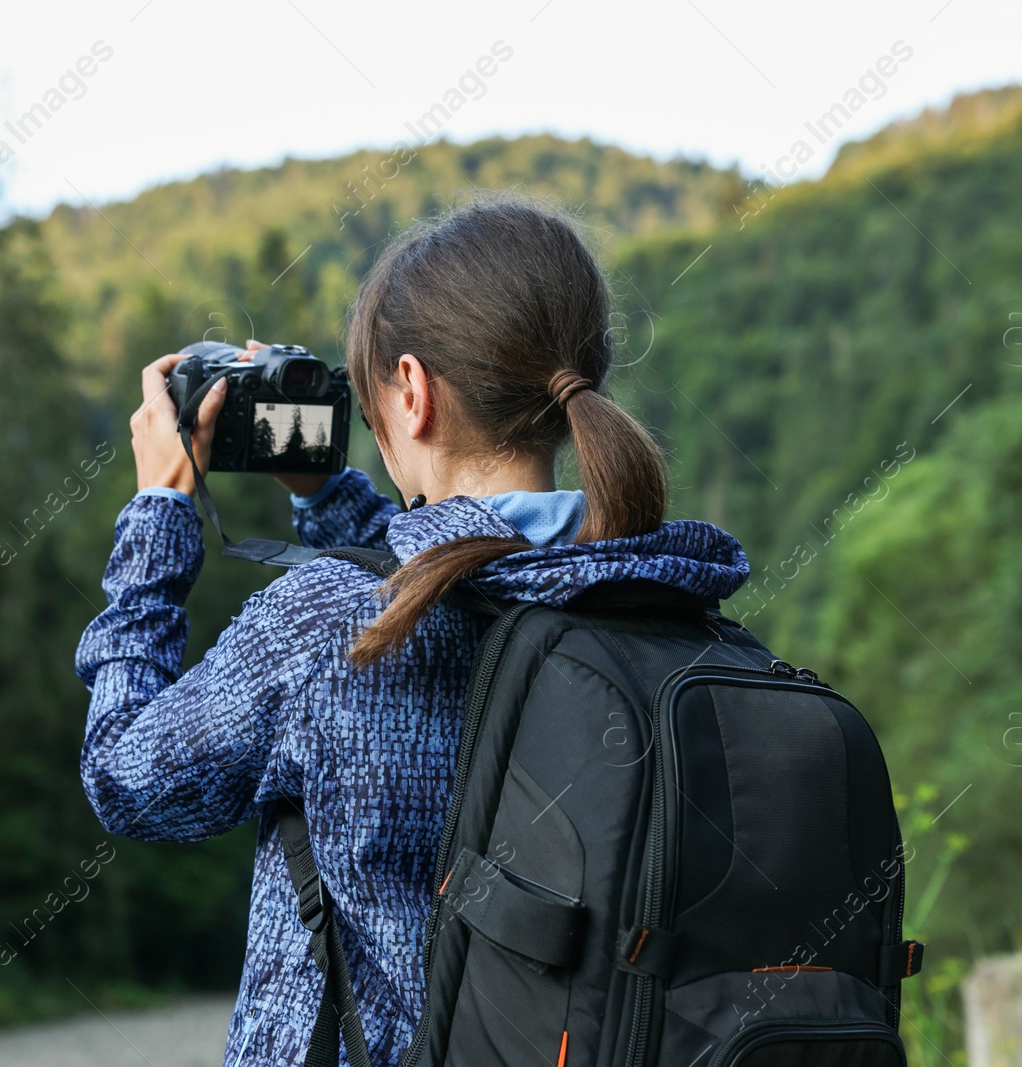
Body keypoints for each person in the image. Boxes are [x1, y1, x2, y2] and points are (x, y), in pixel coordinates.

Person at [75, 197, 750, 1066]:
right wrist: (327, 498)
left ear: (413, 390)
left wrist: (158, 514)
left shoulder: (325, 627)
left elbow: (128, 778)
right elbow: (457, 566)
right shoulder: (667, 599)